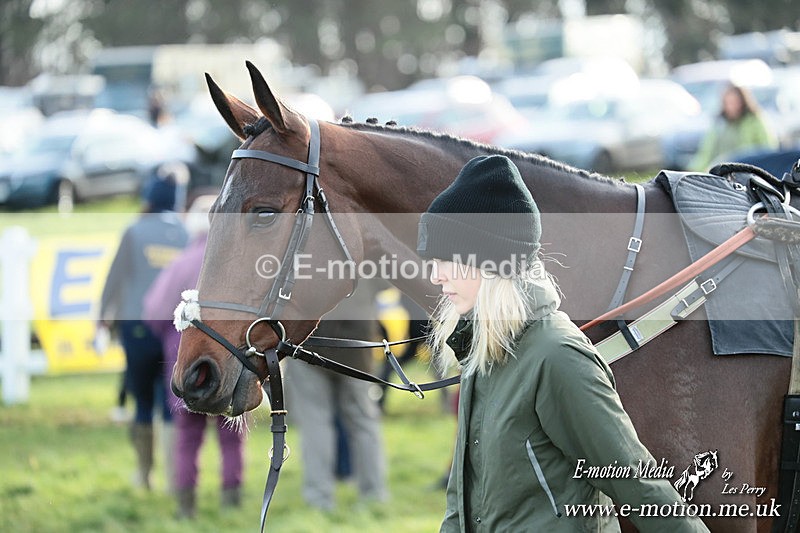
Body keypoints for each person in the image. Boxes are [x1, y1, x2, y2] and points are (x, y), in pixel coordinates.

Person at [418, 155, 708, 531]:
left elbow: (638, 485)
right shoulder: (482, 348)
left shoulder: (557, 357)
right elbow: (462, 497)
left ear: (492, 263)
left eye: (448, 260)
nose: (436, 276)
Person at [142, 195, 245, 518]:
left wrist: (173, 338)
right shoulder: (238, 264)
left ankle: (186, 507)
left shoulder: (181, 263)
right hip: (230, 363)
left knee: (187, 438)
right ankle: (232, 500)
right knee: (232, 437)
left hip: (185, 364)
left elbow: (153, 313)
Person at [98, 169, 188, 490]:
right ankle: (172, 478)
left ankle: (144, 473)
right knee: (170, 402)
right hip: (174, 327)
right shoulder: (185, 233)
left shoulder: (134, 231)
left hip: (136, 325)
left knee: (142, 402)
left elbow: (115, 278)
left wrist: (102, 316)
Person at [283, 278, 389, 511]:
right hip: (356, 344)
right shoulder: (362, 247)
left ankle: (319, 499)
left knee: (315, 423)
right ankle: (373, 495)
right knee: (363, 421)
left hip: (309, 344)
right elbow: (386, 282)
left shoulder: (300, 245)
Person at [690, 83, 778, 172]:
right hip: (721, 171)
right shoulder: (719, 124)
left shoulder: (755, 120)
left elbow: (768, 148)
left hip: (747, 171)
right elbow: (706, 152)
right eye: (728, 103)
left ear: (743, 102)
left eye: (734, 102)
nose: (731, 106)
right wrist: (694, 170)